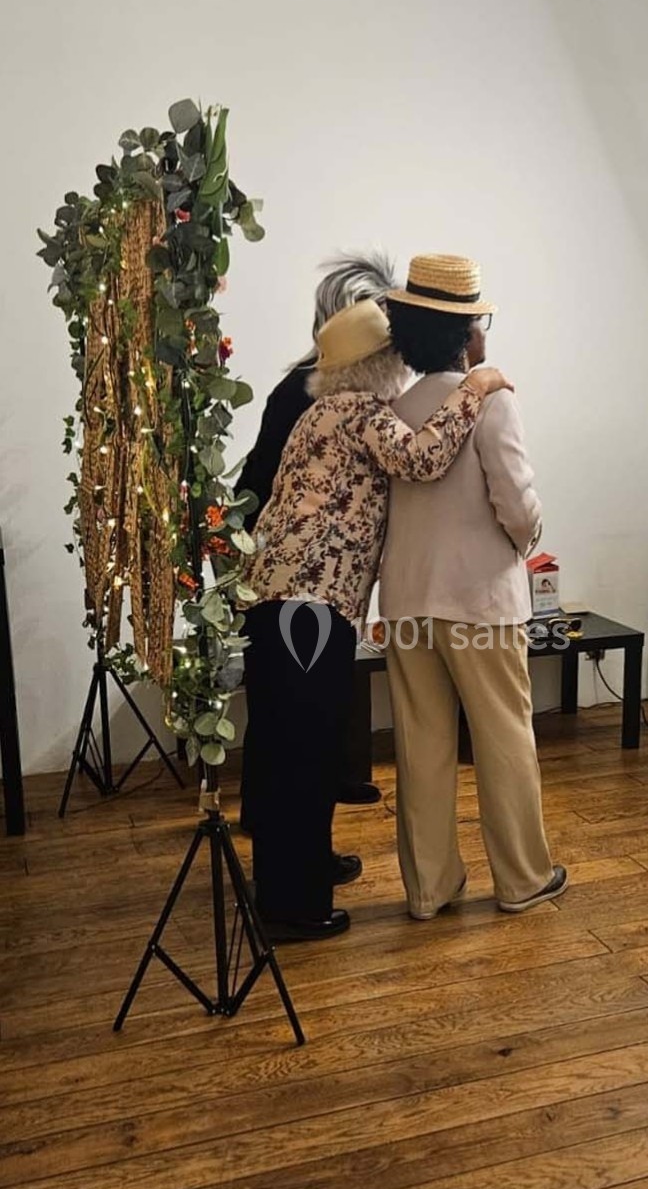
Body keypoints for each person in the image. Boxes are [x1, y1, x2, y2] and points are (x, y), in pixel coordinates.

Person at [241, 299, 511, 941]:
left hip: (284, 606)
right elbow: (424, 457)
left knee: (289, 747)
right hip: (308, 608)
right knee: (305, 753)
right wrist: (476, 385)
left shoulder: (320, 414)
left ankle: (293, 880)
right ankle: (293, 908)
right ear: (377, 365)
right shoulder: (357, 413)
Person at [381, 254, 567, 920]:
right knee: (503, 738)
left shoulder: (393, 408)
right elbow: (518, 508)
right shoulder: (492, 401)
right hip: (482, 604)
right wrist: (528, 540)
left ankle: (430, 889)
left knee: (421, 745)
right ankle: (521, 879)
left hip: (406, 601)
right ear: (469, 332)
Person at [236, 252, 396, 808]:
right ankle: (283, 839)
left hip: (294, 578)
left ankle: (301, 815)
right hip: (294, 579)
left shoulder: (321, 389)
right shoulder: (313, 393)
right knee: (290, 714)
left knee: (300, 707)